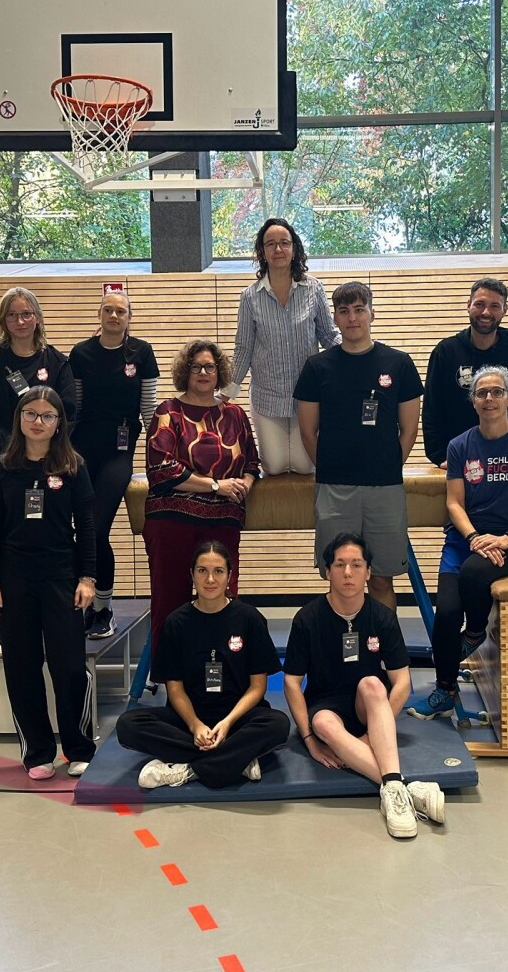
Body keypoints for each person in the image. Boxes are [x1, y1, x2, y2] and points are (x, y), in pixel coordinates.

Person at [408, 366, 508, 723]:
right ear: (473, 402)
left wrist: (506, 538)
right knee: (445, 616)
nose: (489, 399)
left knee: (474, 574)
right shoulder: (460, 445)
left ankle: (474, 634)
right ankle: (444, 690)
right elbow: (454, 502)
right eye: (482, 393)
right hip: (464, 541)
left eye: (496, 392)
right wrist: (473, 537)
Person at [284, 533, 446, 841]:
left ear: (368, 572)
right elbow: (292, 682)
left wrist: (374, 730)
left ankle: (395, 792)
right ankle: (404, 788)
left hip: (367, 704)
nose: (348, 573)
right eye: (340, 564)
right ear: (327, 571)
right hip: (326, 704)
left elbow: (401, 683)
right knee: (323, 722)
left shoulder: (382, 617)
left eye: (356, 565)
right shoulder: (307, 619)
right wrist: (309, 740)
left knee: (373, 684)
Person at [0, 386, 97, 779]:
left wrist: (87, 577)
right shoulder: (1, 468)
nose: (38, 422)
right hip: (14, 579)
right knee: (22, 666)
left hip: (61, 576)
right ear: (19, 417)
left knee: (68, 666)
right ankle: (37, 752)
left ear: (59, 423)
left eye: (48, 416)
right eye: (31, 413)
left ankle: (78, 746)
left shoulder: (73, 465)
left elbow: (87, 527)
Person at [115, 542, 291, 789]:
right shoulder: (175, 623)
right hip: (189, 720)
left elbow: (257, 687)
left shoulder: (249, 618)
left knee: (278, 724)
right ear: (192, 575)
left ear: (229, 576)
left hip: (236, 718)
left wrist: (228, 722)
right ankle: (236, 760)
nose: (210, 579)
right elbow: (175, 690)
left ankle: (188, 769)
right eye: (202, 571)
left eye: (218, 571)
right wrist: (195, 725)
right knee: (128, 724)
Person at [295, 281, 423, 611]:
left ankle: (384, 657)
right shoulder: (317, 367)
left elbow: (408, 429)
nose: (352, 318)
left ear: (372, 314)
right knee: (342, 578)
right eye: (344, 311)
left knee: (381, 579)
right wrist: (330, 468)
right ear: (334, 319)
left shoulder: (399, 363)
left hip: (385, 487)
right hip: (335, 487)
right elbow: (309, 432)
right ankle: (343, 661)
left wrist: (388, 465)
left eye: (359, 310)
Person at [145, 340, 260, 657]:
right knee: (171, 604)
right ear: (185, 371)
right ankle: (173, 682)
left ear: (219, 371)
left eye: (210, 366)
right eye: (196, 366)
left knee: (223, 604)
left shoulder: (235, 414)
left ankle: (226, 677)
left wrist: (245, 484)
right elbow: (161, 469)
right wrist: (215, 486)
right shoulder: (168, 412)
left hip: (222, 522)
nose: (203, 372)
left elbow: (252, 463)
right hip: (172, 521)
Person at [69, 289, 160, 640]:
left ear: (129, 318)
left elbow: (149, 409)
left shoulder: (142, 352)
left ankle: (103, 607)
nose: (114, 316)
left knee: (97, 527)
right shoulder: (81, 353)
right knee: (80, 530)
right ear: (99, 314)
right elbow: (73, 407)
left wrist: (160, 455)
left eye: (121, 311)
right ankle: (82, 605)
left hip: (120, 450)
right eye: (108, 310)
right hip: (81, 450)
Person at [224, 217, 340, 475]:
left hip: (308, 397)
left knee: (303, 466)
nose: (278, 249)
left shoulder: (313, 288)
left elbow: (329, 336)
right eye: (271, 244)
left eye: (284, 243)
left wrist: (359, 352)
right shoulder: (249, 296)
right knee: (274, 467)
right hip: (267, 396)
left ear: (294, 248)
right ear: (262, 251)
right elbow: (243, 348)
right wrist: (225, 394)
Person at [422, 277, 508, 468]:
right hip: (460, 461)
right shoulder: (445, 352)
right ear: (468, 305)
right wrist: (440, 456)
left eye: (495, 306)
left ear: (505, 310)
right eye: (480, 304)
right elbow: (432, 409)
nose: (486, 312)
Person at [0, 286, 78, 478]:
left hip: (47, 460)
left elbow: (67, 414)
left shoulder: (57, 362)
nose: (20, 321)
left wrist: (40, 448)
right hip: (1, 458)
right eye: (12, 315)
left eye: (26, 314)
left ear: (37, 318)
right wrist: (13, 449)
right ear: (3, 321)